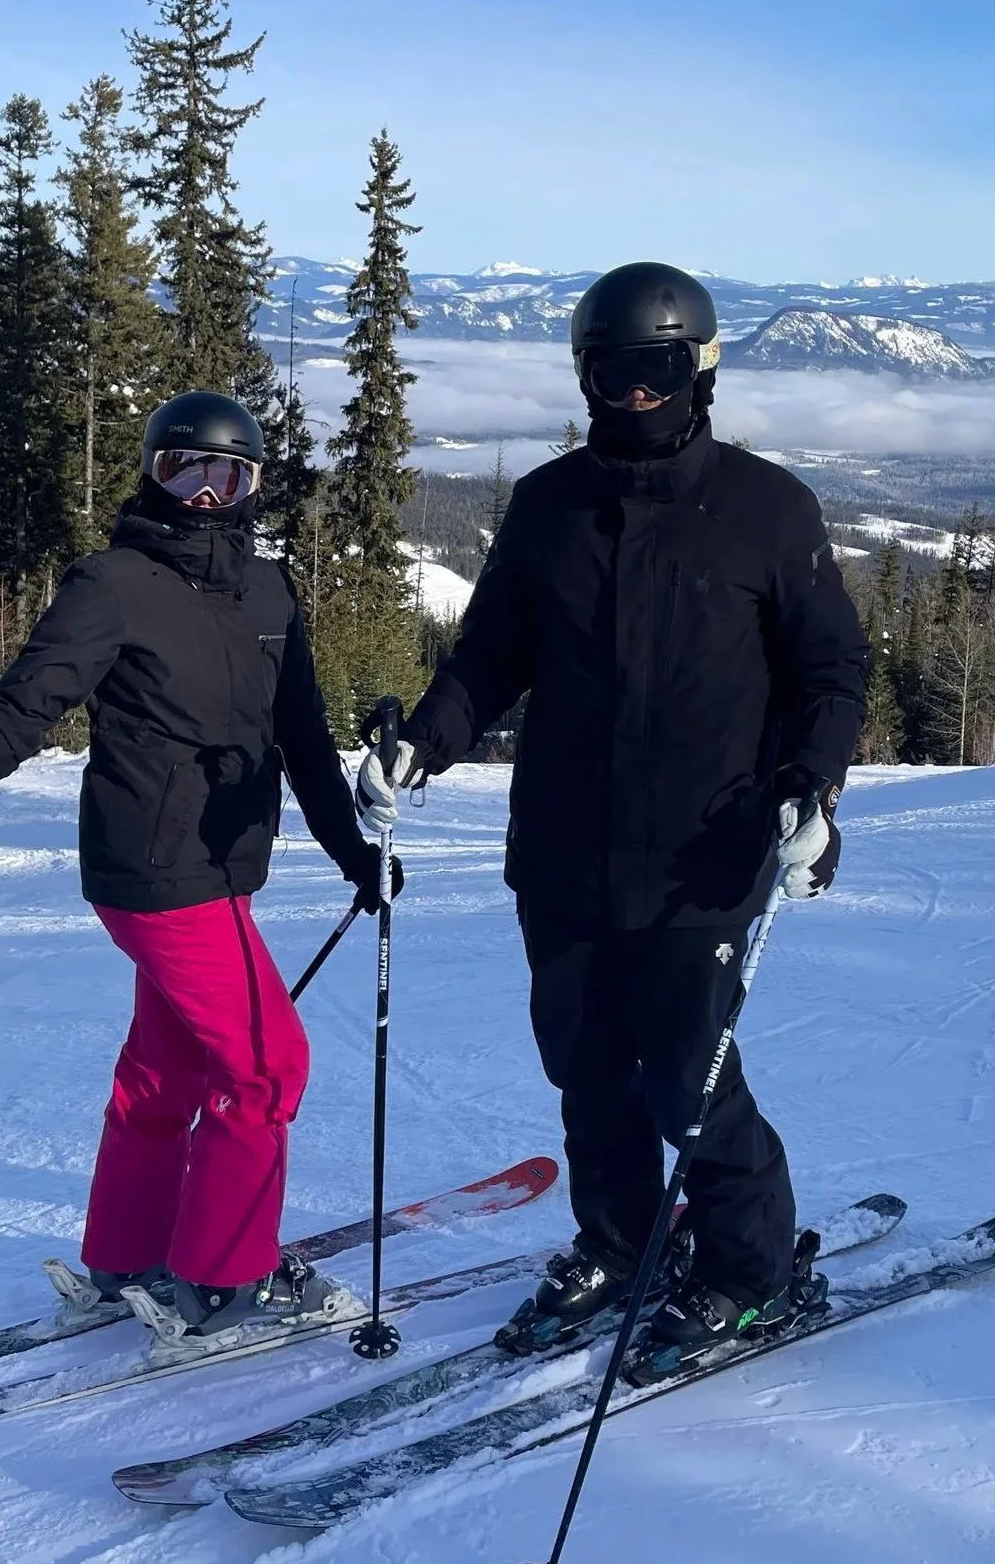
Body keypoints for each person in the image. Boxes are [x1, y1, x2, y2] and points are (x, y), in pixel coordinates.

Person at [355, 262, 865, 1368]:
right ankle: (627, 1240)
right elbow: (492, 655)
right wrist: (422, 744)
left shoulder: (768, 510)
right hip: (566, 850)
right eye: (612, 372)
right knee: (586, 1068)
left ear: (701, 372)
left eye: (658, 371)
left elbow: (832, 670)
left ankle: (746, 1270)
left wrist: (813, 792)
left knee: (691, 1079)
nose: (635, 397)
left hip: (706, 852)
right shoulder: (550, 506)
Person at [0, 391, 394, 1341]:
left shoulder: (269, 592)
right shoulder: (115, 583)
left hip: (219, 871)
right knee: (264, 1067)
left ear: (253, 486)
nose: (208, 495)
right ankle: (222, 1279)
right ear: (151, 473)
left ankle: (127, 1253)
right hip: (154, 870)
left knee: (166, 1073)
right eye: (187, 470)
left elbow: (301, 736)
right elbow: (18, 710)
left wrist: (354, 855)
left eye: (231, 475)